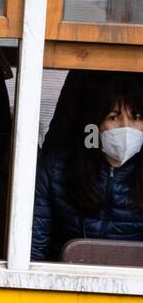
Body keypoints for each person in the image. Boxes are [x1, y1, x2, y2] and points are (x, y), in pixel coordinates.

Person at [32, 73, 143, 261]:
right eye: (113, 117)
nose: (126, 128)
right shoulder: (55, 170)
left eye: (136, 117)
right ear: (94, 125)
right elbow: (33, 250)